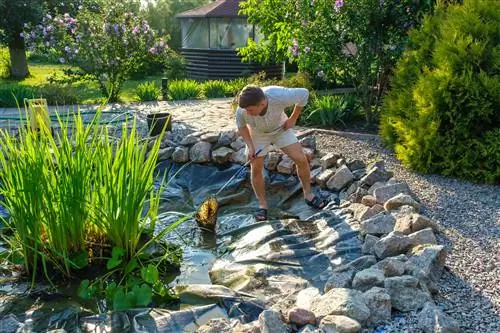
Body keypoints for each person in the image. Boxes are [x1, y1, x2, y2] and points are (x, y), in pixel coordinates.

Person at [235, 85, 328, 221]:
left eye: (250, 110)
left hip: (281, 129)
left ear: (262, 103)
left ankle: (308, 195)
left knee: (301, 159)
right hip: (258, 134)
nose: (247, 113)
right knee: (256, 168)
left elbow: (304, 94)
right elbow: (242, 127)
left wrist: (293, 118)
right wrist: (250, 146)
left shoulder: (277, 95)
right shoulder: (242, 110)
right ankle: (262, 205)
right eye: (246, 110)